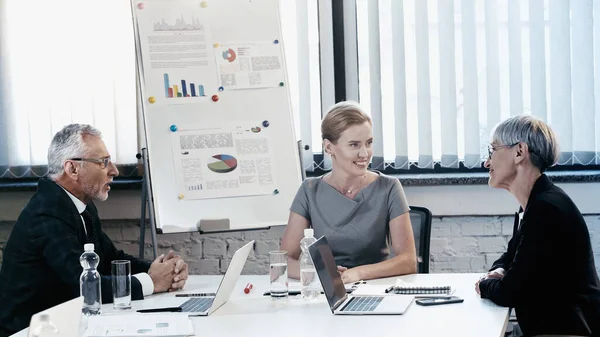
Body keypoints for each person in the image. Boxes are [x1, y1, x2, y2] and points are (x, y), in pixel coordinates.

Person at [0, 124, 189, 336]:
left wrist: (162, 271)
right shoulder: (47, 213)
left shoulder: (80, 204)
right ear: (72, 169)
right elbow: (83, 286)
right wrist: (152, 282)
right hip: (30, 331)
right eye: (103, 162)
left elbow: (108, 259)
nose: (114, 171)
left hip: (67, 324)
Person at [476, 115, 600, 337]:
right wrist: (500, 271)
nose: (487, 162)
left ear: (519, 152)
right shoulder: (536, 203)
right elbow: (509, 258)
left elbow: (508, 293)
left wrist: (484, 284)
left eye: (492, 150)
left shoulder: (545, 209)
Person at [281, 101, 417, 283]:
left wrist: (358, 273)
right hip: (328, 289)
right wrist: (320, 273)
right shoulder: (309, 190)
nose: (365, 154)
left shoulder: (389, 187)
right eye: (354, 145)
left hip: (375, 286)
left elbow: (408, 261)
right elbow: (285, 259)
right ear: (329, 147)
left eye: (368, 143)